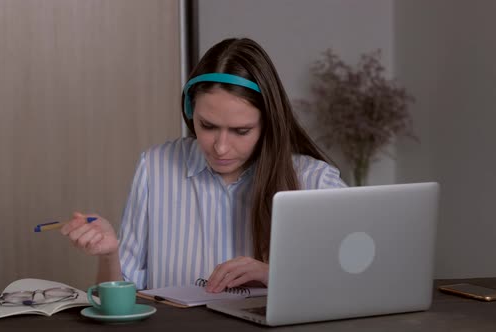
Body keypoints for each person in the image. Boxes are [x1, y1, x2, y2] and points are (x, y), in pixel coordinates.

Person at [61, 37, 346, 293]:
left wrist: (275, 276)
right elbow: (120, 299)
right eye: (207, 126)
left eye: (241, 131)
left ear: (268, 124)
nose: (220, 147)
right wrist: (110, 254)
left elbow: (353, 285)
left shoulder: (315, 181)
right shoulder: (155, 166)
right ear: (189, 111)